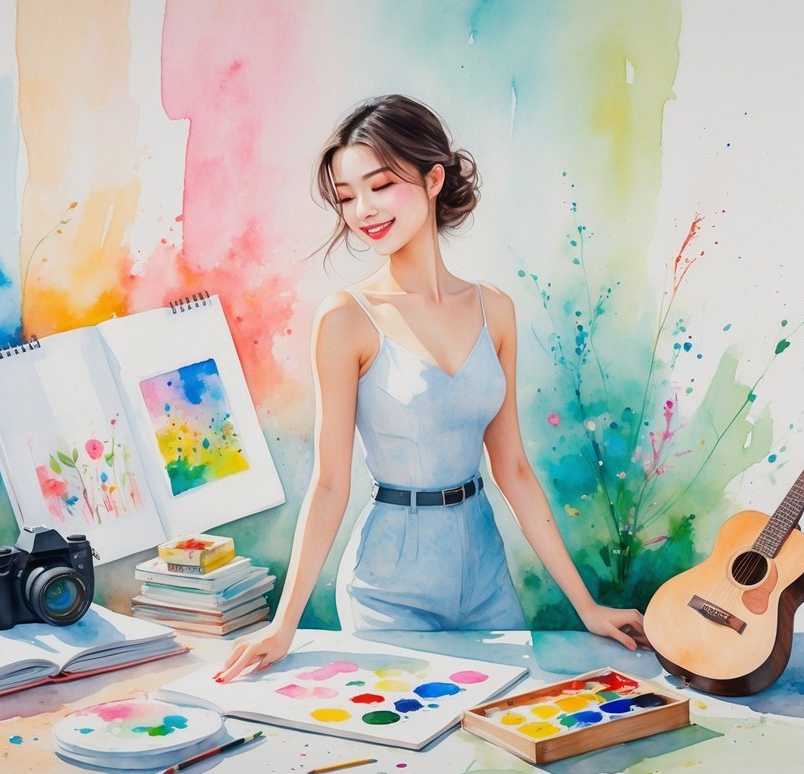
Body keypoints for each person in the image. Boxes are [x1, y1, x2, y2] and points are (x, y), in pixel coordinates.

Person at [217, 94, 644, 682]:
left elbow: (513, 470)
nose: (363, 210)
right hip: (387, 592)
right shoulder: (346, 319)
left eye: (380, 185)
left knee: (508, 725)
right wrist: (283, 624)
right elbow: (330, 483)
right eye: (347, 196)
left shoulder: (495, 310)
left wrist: (587, 608)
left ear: (433, 178)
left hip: (487, 580)